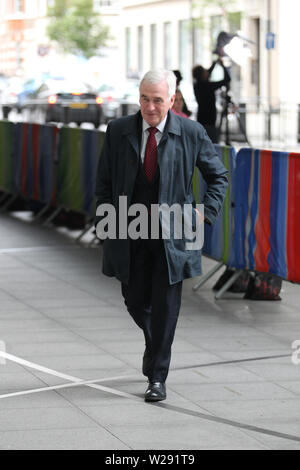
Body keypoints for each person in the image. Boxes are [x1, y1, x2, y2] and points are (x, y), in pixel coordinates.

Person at [95, 69, 228, 402]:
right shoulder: (118, 130)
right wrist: (107, 224)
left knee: (166, 306)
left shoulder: (192, 132)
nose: (150, 107)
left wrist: (205, 212)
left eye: (157, 100)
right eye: (144, 99)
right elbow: (104, 183)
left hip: (175, 234)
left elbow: (218, 177)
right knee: (134, 299)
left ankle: (157, 376)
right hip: (130, 229)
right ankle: (155, 344)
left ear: (172, 99)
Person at [192, 58, 231, 143]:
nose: (207, 72)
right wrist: (222, 66)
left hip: (201, 119)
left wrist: (214, 63)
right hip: (210, 120)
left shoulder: (196, 85)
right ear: (203, 75)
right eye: (204, 71)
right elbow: (227, 79)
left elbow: (208, 73)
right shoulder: (208, 86)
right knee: (212, 143)